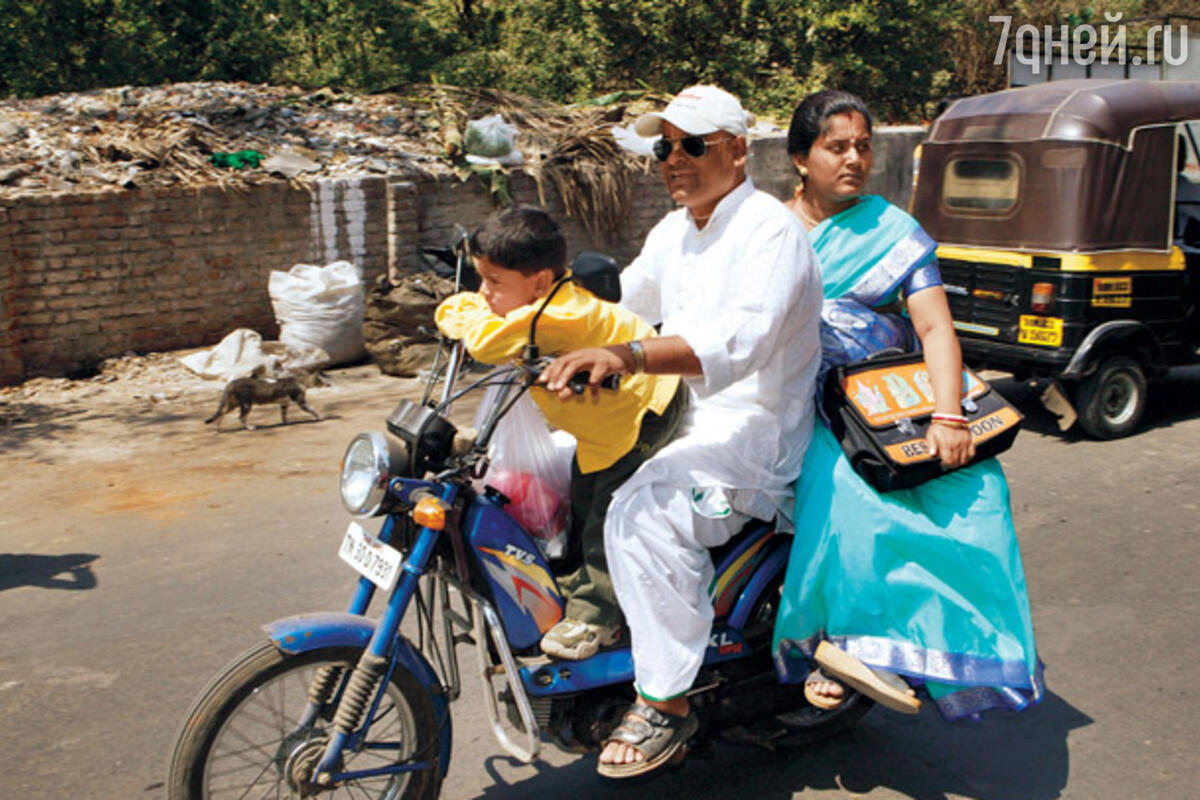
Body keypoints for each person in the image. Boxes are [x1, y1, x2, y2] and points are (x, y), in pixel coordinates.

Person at [541, 85, 823, 777]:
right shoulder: (674, 230)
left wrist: (627, 357)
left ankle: (666, 701)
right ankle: (596, 604)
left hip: (754, 436)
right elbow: (621, 308)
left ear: (736, 149)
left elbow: (739, 343)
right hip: (679, 410)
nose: (674, 159)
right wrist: (523, 303)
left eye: (691, 144)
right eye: (665, 147)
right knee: (548, 460)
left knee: (645, 509)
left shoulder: (769, 230)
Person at [771, 89, 1043, 720]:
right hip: (810, 404)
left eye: (863, 146)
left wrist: (949, 417)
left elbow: (936, 330)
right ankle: (846, 646)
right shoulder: (769, 233)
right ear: (799, 158)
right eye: (836, 147)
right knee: (849, 493)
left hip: (895, 404)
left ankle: (946, 651)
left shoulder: (893, 233)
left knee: (979, 495)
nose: (854, 159)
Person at [435, 205, 688, 660]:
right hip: (603, 429)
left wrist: (459, 308)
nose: (484, 293)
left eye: (495, 282)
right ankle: (574, 587)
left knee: (609, 517)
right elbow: (484, 323)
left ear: (538, 281)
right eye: (480, 279)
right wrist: (476, 306)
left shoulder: (554, 315)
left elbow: (484, 341)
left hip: (646, 409)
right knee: (583, 498)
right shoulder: (538, 303)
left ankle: (599, 619)